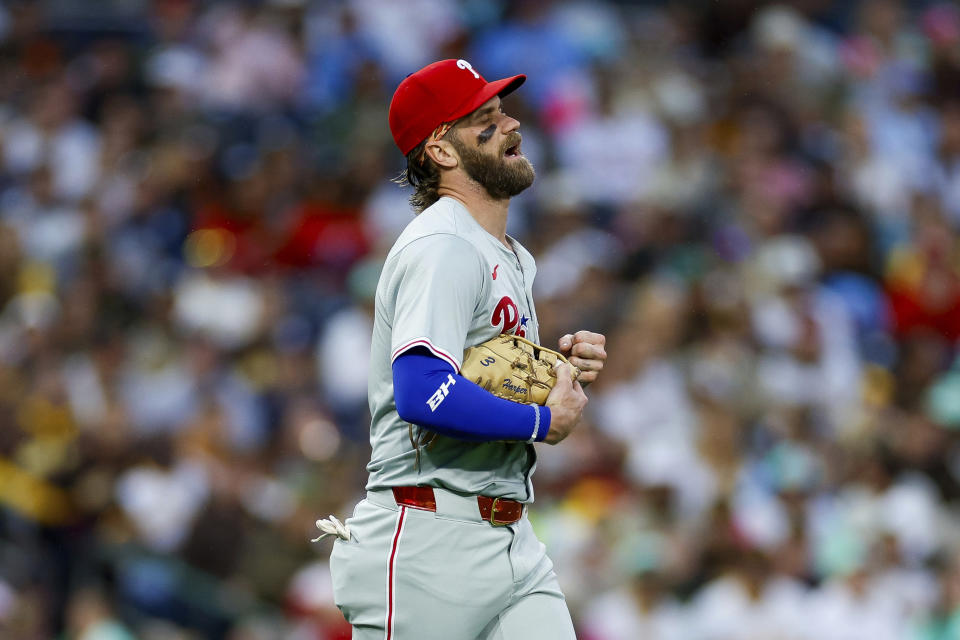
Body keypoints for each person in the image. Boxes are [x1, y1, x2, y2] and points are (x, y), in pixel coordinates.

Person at [327, 58, 607, 640]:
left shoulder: (507, 254)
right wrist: (540, 418)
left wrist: (553, 369)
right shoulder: (443, 245)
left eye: (502, 111)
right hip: (429, 540)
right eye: (485, 119)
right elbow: (423, 390)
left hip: (509, 538)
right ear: (443, 152)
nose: (510, 125)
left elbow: (480, 371)